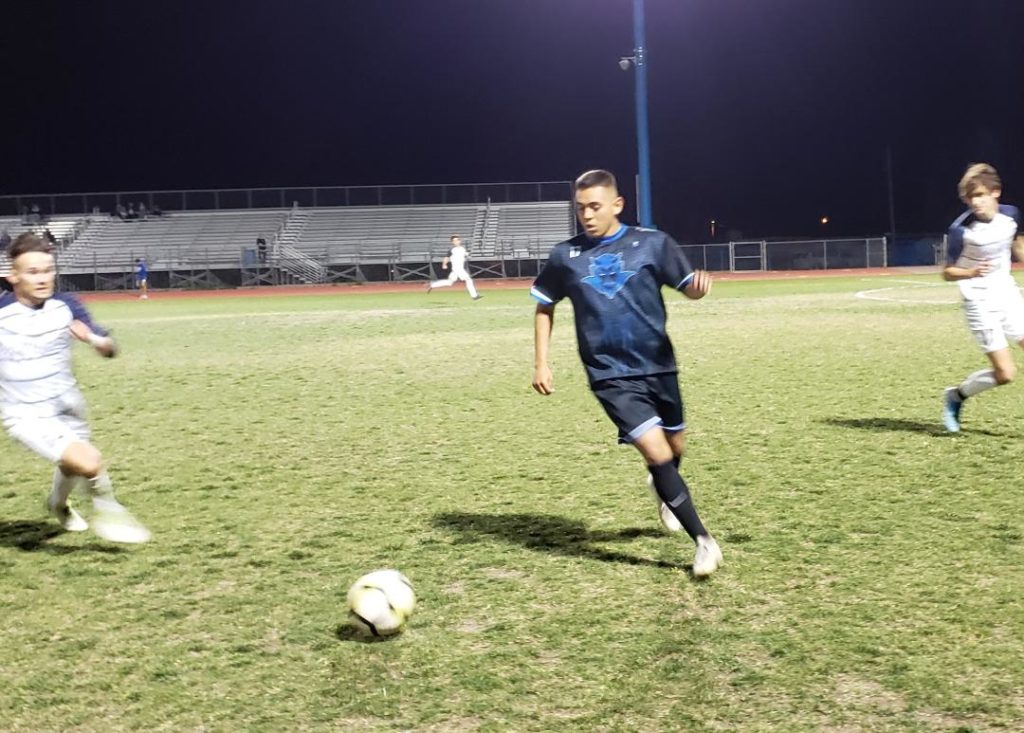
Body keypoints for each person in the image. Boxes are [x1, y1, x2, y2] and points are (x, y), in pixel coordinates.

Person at [530, 169, 722, 577]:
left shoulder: (652, 243)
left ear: (617, 205)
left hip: (659, 365)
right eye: (580, 208)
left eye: (595, 206)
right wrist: (541, 362)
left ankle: (663, 485)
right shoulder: (565, 256)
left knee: (674, 447)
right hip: (609, 373)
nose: (587, 215)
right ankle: (704, 542)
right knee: (656, 453)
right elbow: (544, 306)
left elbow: (686, 285)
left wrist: (696, 289)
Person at [1, 233, 150, 543]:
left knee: (70, 462)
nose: (42, 278)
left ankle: (58, 504)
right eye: (33, 272)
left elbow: (110, 349)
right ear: (13, 276)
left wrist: (93, 339)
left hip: (68, 403)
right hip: (26, 413)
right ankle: (109, 512)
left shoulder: (66, 305)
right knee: (88, 461)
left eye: (48, 270)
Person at [942, 163, 1024, 432]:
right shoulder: (961, 230)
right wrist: (971, 272)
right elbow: (947, 273)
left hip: (1007, 294)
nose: (975, 202)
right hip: (979, 302)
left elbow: (1018, 244)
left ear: (995, 192)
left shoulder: (1011, 215)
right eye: (970, 197)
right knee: (1006, 374)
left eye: (979, 195)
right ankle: (956, 395)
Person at [427, 235, 481, 299]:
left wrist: (468, 254)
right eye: (454, 241)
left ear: (460, 241)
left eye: (457, 240)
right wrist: (444, 264)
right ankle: (474, 296)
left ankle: (433, 285)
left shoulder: (462, 249)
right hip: (458, 269)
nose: (456, 241)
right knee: (468, 280)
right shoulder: (452, 250)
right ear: (452, 242)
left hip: (456, 270)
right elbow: (446, 258)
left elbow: (464, 253)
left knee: (449, 282)